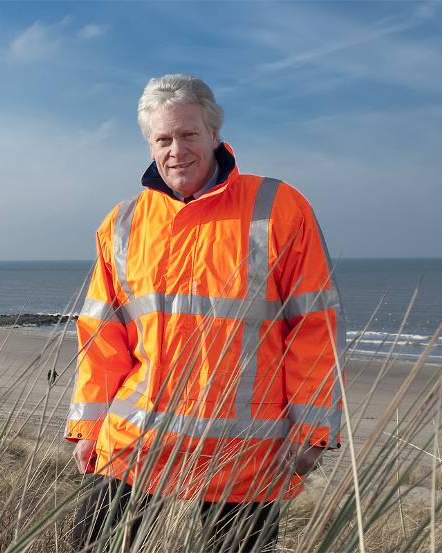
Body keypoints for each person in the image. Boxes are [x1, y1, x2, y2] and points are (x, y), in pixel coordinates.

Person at [65, 74, 345, 552]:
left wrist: (314, 428)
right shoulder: (123, 223)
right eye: (163, 138)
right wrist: (88, 427)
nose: (177, 150)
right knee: (91, 545)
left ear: (214, 134)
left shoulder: (279, 208)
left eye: (189, 134)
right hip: (137, 440)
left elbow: (314, 326)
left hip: (246, 451)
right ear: (150, 145)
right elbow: (101, 333)